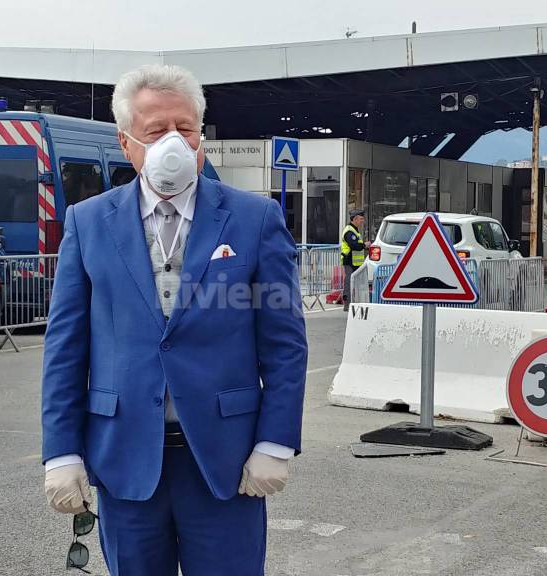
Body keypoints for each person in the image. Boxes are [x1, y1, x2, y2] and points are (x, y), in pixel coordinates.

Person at [41, 64, 307, 576]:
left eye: (184, 129)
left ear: (201, 134)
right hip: (125, 461)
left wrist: (275, 442)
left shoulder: (255, 220)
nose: (174, 143)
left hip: (226, 464)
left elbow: (284, 344)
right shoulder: (88, 222)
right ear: (126, 143)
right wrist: (61, 453)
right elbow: (65, 349)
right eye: (156, 131)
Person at [340, 209, 366, 311]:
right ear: (354, 219)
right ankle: (347, 305)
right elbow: (355, 245)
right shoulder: (349, 231)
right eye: (361, 219)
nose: (362, 221)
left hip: (355, 263)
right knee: (349, 283)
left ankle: (355, 303)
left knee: (354, 283)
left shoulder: (354, 230)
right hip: (349, 262)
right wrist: (364, 245)